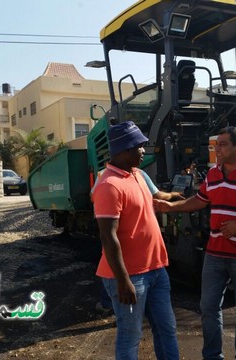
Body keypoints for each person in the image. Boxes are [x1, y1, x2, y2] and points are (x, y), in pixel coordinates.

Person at [154, 126, 236, 360]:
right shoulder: (213, 174)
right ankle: (212, 356)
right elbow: (200, 200)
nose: (216, 149)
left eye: (222, 145)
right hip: (215, 253)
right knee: (209, 309)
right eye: (215, 145)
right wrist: (172, 207)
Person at [92, 120, 179, 359]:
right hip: (130, 276)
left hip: (156, 270)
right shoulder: (109, 185)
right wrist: (123, 281)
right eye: (139, 146)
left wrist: (179, 196)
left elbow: (157, 198)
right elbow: (108, 237)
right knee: (131, 336)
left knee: (167, 329)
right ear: (124, 149)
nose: (143, 151)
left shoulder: (138, 175)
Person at [92, 170, 184, 315]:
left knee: (111, 263)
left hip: (115, 234)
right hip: (134, 251)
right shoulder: (139, 174)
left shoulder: (102, 175)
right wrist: (173, 195)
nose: (141, 151)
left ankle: (106, 303)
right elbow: (158, 195)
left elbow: (93, 196)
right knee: (130, 329)